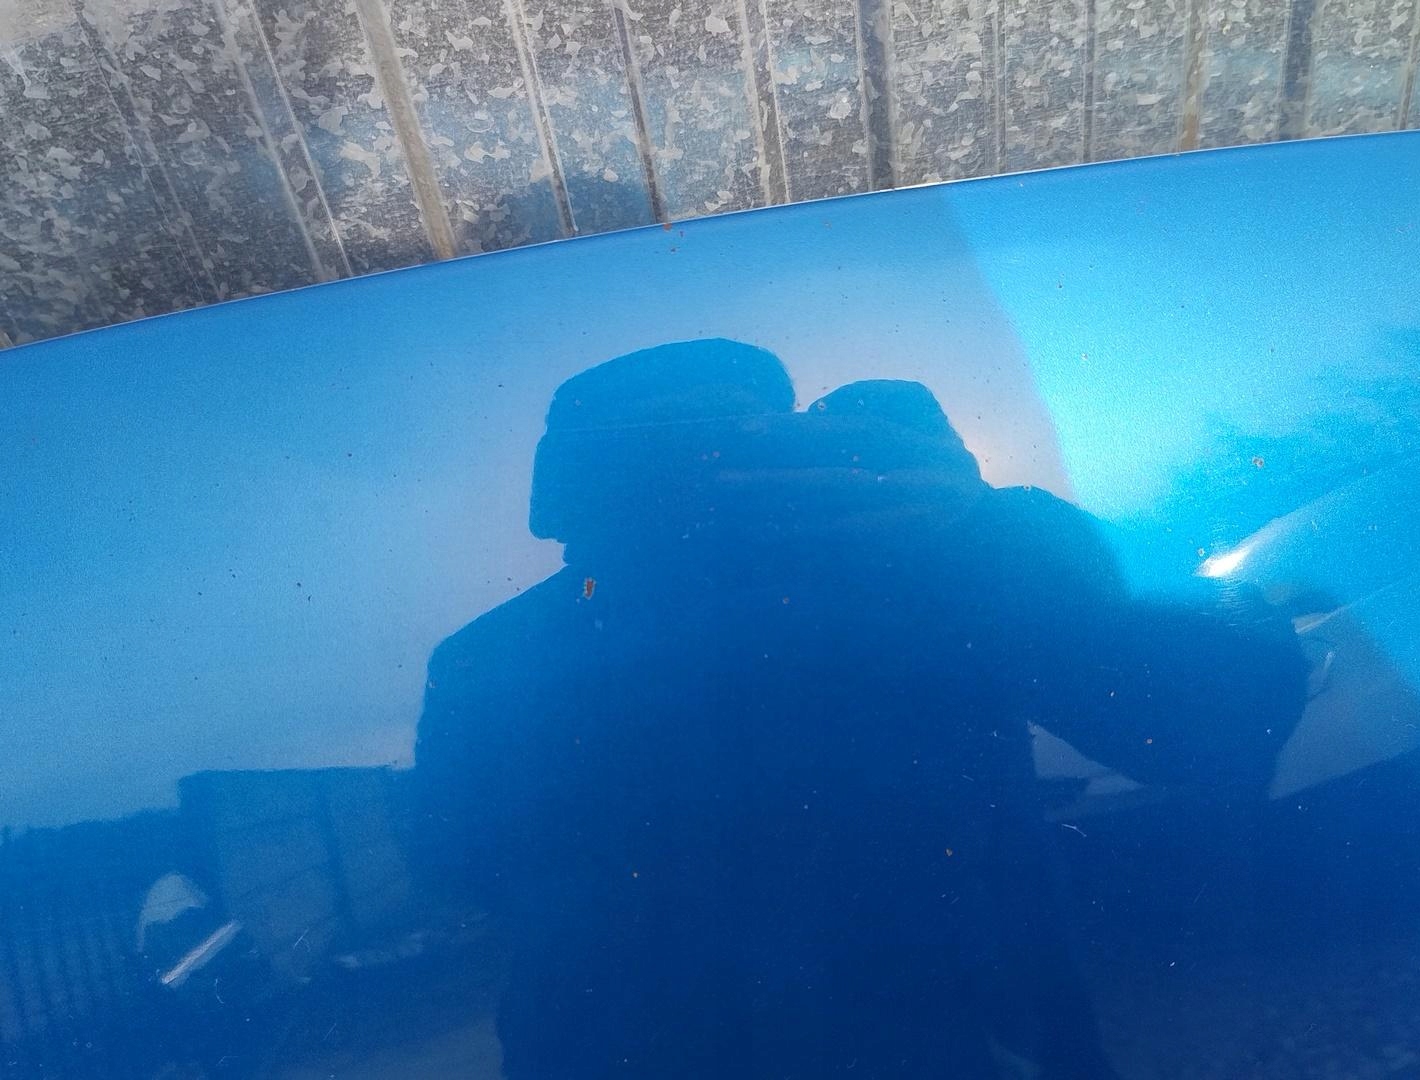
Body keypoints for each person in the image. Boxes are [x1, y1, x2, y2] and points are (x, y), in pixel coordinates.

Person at [414, 339, 1303, 1078]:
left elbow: (1212, 720)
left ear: (564, 491)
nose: (707, 477)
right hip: (950, 1039)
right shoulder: (916, 573)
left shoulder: (487, 657)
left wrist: (985, 535)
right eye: (681, 451)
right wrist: (986, 537)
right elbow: (1217, 725)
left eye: (736, 443)